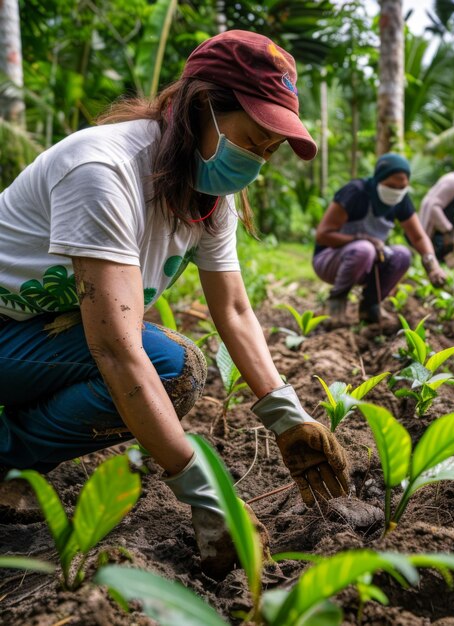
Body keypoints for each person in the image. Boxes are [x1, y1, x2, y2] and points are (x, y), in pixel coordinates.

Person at [0, 30, 349, 577]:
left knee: (172, 366)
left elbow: (232, 310)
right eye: (252, 139)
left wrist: (286, 416)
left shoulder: (209, 195)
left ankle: (11, 458)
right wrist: (205, 493)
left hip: (31, 337)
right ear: (203, 106)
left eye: (268, 151)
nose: (257, 161)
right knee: (170, 366)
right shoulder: (104, 170)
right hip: (9, 333)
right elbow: (115, 349)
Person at [312, 153, 447, 324]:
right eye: (390, 185)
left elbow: (418, 237)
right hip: (330, 260)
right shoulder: (355, 192)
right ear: (378, 179)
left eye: (402, 187)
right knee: (364, 249)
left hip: (367, 263)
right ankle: (335, 304)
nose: (396, 191)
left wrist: (432, 264)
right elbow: (323, 235)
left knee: (402, 255)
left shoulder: (402, 200)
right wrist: (360, 238)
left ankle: (370, 306)